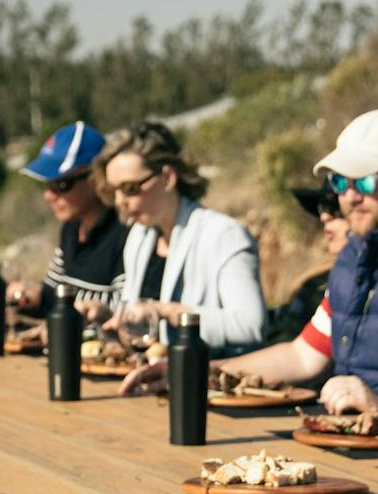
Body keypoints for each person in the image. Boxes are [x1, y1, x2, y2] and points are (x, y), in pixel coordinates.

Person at [147, 108, 378, 420]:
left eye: (367, 181)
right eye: (340, 181)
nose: (350, 197)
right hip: (361, 449)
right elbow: (304, 356)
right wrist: (196, 372)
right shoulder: (358, 256)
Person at [95, 121, 264, 355]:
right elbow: (140, 319)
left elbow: (251, 326)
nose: (119, 201)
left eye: (130, 188)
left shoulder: (224, 235)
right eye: (113, 190)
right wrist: (107, 316)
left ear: (167, 177)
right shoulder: (139, 235)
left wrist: (168, 311)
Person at [3, 120, 127, 312]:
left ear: (96, 178)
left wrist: (46, 296)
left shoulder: (124, 232)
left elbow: (124, 305)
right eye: (47, 185)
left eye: (61, 185)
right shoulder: (71, 228)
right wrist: (30, 292)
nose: (49, 195)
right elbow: (52, 287)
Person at [264, 180, 352, 340]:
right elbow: (297, 351)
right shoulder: (316, 286)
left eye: (335, 208)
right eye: (322, 208)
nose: (324, 216)